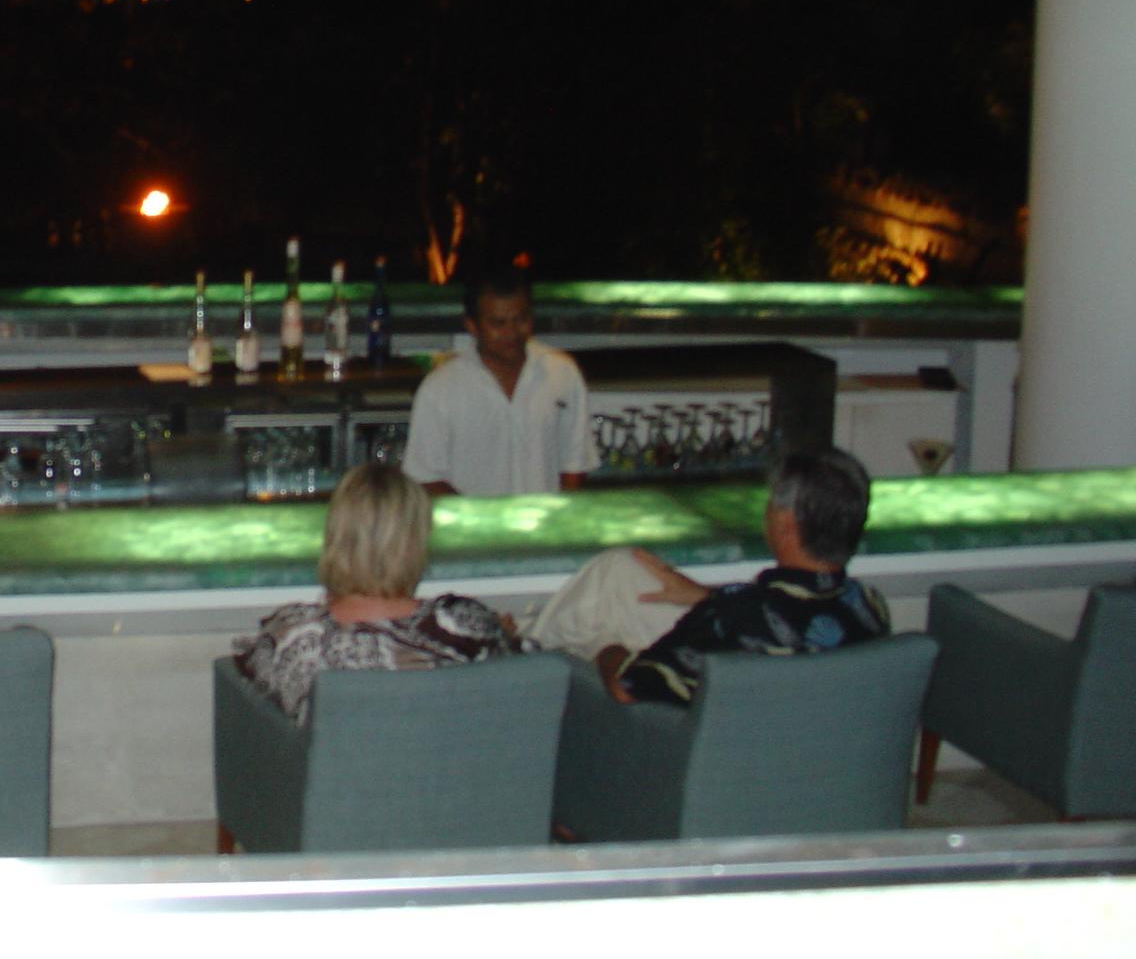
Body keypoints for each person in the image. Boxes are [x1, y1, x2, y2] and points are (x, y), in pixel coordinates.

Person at [527, 448, 890, 705]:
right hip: (805, 759)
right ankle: (527, 643)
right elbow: (787, 619)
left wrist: (606, 649)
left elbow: (627, 688)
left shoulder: (731, 616)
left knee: (596, 626)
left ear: (786, 524)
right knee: (621, 569)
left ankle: (521, 656)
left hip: (695, 761)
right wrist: (705, 596)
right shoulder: (871, 606)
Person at [234, 462, 529, 725]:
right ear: (415, 542)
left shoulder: (297, 635)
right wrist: (503, 634)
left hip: (339, 771)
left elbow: (252, 687)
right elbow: (530, 677)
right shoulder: (463, 626)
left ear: (334, 537)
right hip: (452, 770)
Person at [401, 266, 597, 497]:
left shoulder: (562, 373)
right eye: (498, 323)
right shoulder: (440, 389)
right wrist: (479, 516)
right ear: (472, 326)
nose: (512, 332)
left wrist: (558, 514)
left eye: (521, 319)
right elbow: (425, 477)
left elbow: (575, 463)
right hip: (470, 520)